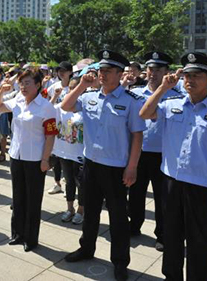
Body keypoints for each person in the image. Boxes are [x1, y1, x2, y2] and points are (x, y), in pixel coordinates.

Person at [139, 52, 207, 281]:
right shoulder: (171, 104)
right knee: (171, 236)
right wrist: (163, 89)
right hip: (171, 182)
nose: (190, 80)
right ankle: (171, 276)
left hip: (202, 185)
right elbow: (144, 113)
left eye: (196, 76)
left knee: (198, 239)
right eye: (186, 75)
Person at [60, 50, 145, 281]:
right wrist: (81, 86)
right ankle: (86, 248)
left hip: (116, 167)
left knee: (118, 218)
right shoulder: (89, 97)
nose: (103, 75)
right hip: (90, 164)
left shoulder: (130, 101)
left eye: (108, 71)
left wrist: (132, 166)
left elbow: (137, 136)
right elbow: (66, 106)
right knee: (90, 213)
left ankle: (119, 262)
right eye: (101, 70)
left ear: (120, 74)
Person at [0, 68, 58, 252]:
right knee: (18, 198)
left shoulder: (46, 107)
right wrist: (1, 91)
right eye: (21, 83)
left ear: (38, 85)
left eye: (28, 83)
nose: (23, 86)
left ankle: (31, 238)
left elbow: (50, 135)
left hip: (36, 159)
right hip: (17, 156)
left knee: (33, 200)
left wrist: (45, 159)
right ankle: (17, 233)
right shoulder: (17, 101)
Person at [128, 51, 179, 252]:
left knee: (162, 198)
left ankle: (162, 234)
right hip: (139, 152)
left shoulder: (176, 96)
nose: (153, 73)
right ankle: (134, 226)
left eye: (158, 69)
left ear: (167, 72)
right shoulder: (136, 94)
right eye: (150, 69)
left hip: (163, 154)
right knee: (135, 193)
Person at [52, 78, 85, 225]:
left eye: (76, 88)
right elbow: (47, 110)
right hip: (64, 152)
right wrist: (53, 96)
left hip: (80, 154)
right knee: (69, 181)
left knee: (81, 183)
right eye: (71, 88)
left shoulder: (85, 107)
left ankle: (81, 210)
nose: (73, 91)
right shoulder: (61, 106)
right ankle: (70, 208)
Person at [46, 61, 72, 195]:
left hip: (69, 125)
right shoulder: (54, 86)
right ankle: (57, 183)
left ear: (70, 72)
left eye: (64, 70)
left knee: (67, 156)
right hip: (55, 124)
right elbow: (49, 104)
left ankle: (69, 184)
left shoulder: (74, 87)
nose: (61, 73)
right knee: (55, 153)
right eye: (59, 70)